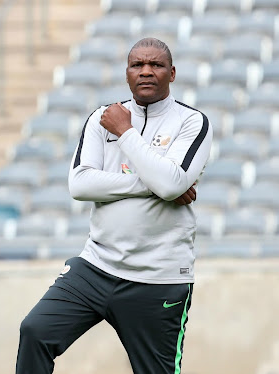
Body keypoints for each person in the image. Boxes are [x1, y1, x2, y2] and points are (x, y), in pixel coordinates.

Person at [15, 37, 213, 373]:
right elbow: (80, 185)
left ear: (173, 73)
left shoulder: (192, 122)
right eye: (137, 65)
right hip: (95, 267)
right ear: (127, 73)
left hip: (157, 278)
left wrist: (126, 133)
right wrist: (154, 185)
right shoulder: (102, 118)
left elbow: (170, 183)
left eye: (156, 65)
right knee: (35, 331)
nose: (146, 71)